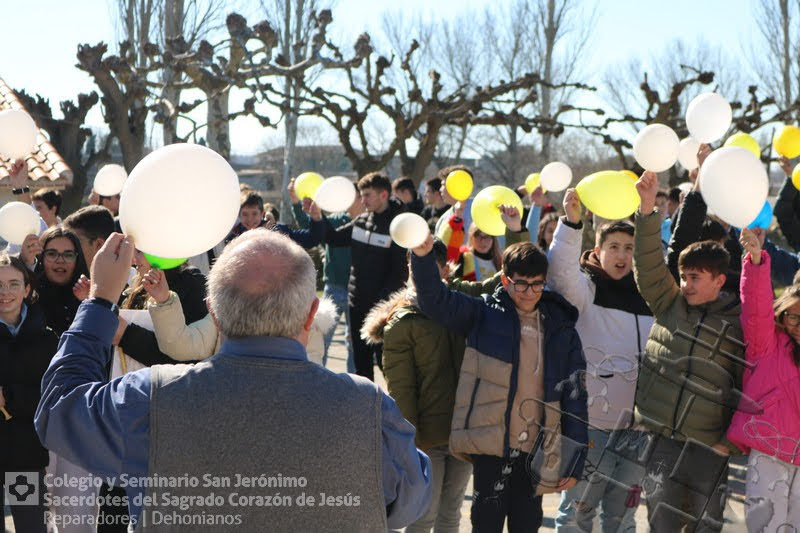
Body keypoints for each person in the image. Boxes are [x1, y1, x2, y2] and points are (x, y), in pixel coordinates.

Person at [35, 230, 432, 531]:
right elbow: (410, 500)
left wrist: (100, 301)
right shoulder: (368, 407)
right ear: (312, 315)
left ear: (214, 313)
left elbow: (58, 413)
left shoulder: (152, 398)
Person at [410, 218, 588, 533]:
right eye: (521, 283)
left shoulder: (561, 328)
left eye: (536, 284)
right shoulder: (485, 313)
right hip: (492, 445)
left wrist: (574, 459)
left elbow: (575, 395)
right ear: (505, 280)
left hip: (536, 449)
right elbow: (435, 300)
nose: (529, 292)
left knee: (527, 524)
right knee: (486, 524)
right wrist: (422, 257)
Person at [631, 171, 745, 532]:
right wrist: (646, 211)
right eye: (683, 276)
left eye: (695, 277)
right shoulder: (670, 303)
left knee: (706, 526)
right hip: (660, 443)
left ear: (719, 280)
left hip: (710, 449)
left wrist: (729, 442)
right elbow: (648, 264)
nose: (685, 284)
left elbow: (747, 386)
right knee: (661, 524)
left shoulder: (739, 324)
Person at [544, 189, 654, 532]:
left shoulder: (650, 295)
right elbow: (560, 273)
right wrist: (571, 223)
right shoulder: (585, 290)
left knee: (622, 520)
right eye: (614, 246)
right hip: (591, 424)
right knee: (577, 515)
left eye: (629, 248)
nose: (621, 255)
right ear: (598, 249)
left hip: (638, 430)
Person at [362, 239, 472, 533]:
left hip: (463, 431)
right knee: (424, 516)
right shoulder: (402, 322)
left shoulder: (461, 304)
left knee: (451, 514)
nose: (421, 274)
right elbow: (402, 390)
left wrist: (516, 232)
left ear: (446, 270)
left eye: (431, 268)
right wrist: (410, 442)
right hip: (426, 438)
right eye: (416, 267)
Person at [729, 228, 800, 531]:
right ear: (783, 313)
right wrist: (756, 263)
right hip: (769, 447)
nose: (798, 325)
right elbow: (756, 309)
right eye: (793, 316)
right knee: (765, 525)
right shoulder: (766, 342)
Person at [321, 171, 409, 381]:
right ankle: (365, 401)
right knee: (361, 363)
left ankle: (393, 401)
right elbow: (333, 238)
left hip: (383, 309)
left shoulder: (397, 227)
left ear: (383, 195)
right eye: (362, 195)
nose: (362, 201)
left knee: (385, 361)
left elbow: (399, 272)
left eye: (367, 195)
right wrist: (317, 217)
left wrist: (382, 303)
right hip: (356, 304)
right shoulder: (360, 221)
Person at [0, 253, 58, 533]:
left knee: (32, 527)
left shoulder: (47, 339)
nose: (5, 292)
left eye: (13, 284)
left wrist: (9, 399)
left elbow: (52, 396)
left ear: (27, 289)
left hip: (26, 455)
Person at [290, 177, 363, 369]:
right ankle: (317, 375)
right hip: (334, 286)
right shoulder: (335, 220)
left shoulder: (367, 224)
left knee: (354, 343)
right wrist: (297, 203)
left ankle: (354, 380)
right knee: (321, 338)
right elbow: (311, 227)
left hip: (359, 290)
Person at [19, 226, 89, 336]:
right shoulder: (30, 292)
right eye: (52, 254)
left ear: (77, 259)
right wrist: (25, 265)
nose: (60, 260)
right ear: (41, 258)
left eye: (68, 255)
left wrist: (89, 302)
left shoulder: (91, 291)